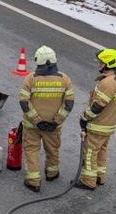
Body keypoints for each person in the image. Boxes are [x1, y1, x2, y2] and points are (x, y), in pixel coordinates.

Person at [19, 46, 75, 193]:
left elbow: (24, 102)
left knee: (31, 151)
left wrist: (37, 120)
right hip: (53, 127)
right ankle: (52, 173)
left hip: (32, 126)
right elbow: (68, 104)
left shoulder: (30, 79)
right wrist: (56, 121)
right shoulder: (65, 79)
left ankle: (33, 181)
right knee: (53, 150)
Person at [76, 48, 116, 190]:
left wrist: (84, 118)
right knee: (101, 150)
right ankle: (100, 176)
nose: (99, 64)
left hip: (99, 125)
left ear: (109, 64)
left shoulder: (108, 83)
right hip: (109, 125)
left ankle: (88, 181)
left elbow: (98, 106)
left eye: (102, 62)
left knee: (91, 152)